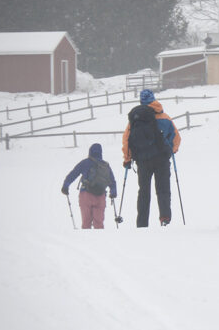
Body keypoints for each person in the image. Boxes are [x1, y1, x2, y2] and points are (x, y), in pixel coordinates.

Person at [122, 88, 181, 227]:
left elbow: (127, 140)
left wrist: (127, 159)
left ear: (141, 101)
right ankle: (165, 218)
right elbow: (176, 138)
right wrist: (170, 151)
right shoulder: (164, 117)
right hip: (161, 159)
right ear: (154, 99)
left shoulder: (135, 119)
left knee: (143, 192)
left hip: (142, 160)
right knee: (163, 189)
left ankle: (142, 223)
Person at [61, 142, 118, 229]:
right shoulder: (105, 165)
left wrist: (66, 186)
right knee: (99, 224)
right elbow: (112, 181)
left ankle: (86, 241)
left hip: (86, 195)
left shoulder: (85, 163)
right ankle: (99, 241)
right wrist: (113, 192)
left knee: (86, 222)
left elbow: (73, 174)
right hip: (100, 196)